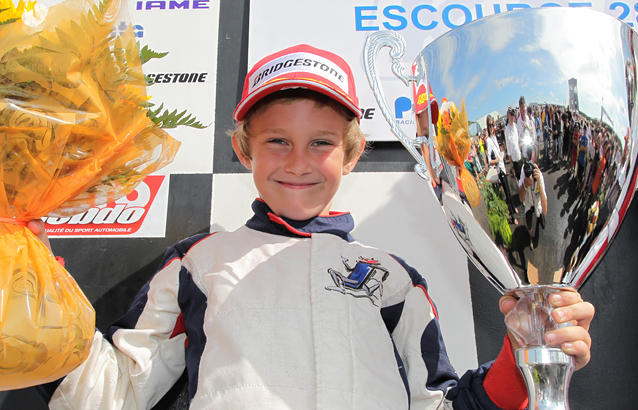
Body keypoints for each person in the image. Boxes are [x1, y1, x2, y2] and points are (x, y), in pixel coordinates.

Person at [29, 44, 594, 410]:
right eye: (277, 140)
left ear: (351, 155)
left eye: (321, 143)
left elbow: (440, 405)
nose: (298, 161)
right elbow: (113, 397)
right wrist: (37, 294)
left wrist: (524, 360)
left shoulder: (393, 277)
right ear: (242, 149)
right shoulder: (197, 264)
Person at [486, 114, 519, 224]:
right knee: (507, 193)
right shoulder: (489, 140)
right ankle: (512, 216)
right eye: (490, 125)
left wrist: (502, 155)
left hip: (503, 168)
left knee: (508, 190)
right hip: (499, 170)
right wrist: (498, 160)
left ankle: (513, 208)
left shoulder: (495, 137)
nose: (492, 127)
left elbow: (498, 153)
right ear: (487, 126)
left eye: (492, 124)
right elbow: (490, 161)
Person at [519, 160, 547, 250]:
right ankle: (530, 236)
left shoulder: (539, 176)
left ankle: (539, 218)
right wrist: (525, 185)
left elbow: (545, 210)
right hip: (529, 203)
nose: (530, 178)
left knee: (542, 221)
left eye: (531, 175)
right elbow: (520, 199)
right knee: (529, 221)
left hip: (537, 202)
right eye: (528, 175)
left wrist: (539, 183)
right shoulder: (523, 175)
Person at [504, 106, 521, 178]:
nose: (512, 117)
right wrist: (511, 165)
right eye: (511, 114)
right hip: (514, 160)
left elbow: (520, 140)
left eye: (513, 115)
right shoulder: (506, 130)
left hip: (520, 157)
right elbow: (508, 148)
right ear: (508, 115)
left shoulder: (516, 126)